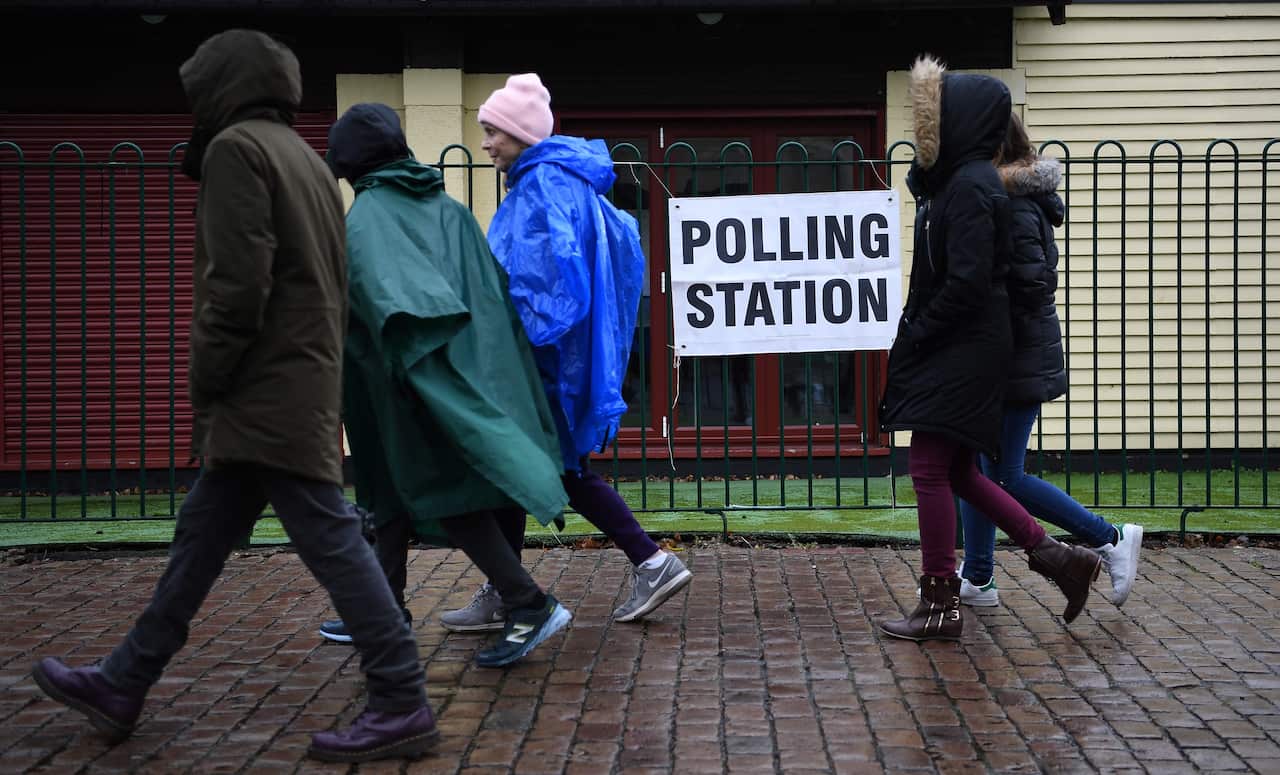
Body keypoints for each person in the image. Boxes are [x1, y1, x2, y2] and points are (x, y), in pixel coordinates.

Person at [30, 31, 436, 762]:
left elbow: (237, 286)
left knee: (335, 542)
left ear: (221, 86)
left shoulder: (236, 152)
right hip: (299, 379)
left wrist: (208, 375)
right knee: (201, 537)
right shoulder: (305, 158)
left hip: (262, 389)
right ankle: (125, 678)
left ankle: (402, 697)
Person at [320, 103, 574, 668]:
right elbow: (485, 296)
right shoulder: (448, 210)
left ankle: (528, 603)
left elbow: (390, 308)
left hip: (404, 386)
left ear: (347, 165)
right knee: (388, 494)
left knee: (440, 491)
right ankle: (383, 610)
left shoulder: (365, 223)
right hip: (459, 374)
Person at [439, 73, 692, 633]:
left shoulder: (542, 188)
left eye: (492, 132)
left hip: (537, 365)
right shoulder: (564, 181)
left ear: (520, 134)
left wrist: (504, 340)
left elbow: (548, 285)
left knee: (546, 471)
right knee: (527, 471)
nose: (485, 144)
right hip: (554, 363)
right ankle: (512, 587)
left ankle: (647, 561)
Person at [878, 55, 1102, 642]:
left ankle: (939, 602)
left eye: (934, 117)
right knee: (956, 471)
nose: (925, 128)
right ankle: (1062, 560)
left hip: (965, 347)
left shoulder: (975, 187)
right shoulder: (958, 183)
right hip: (964, 343)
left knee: (927, 468)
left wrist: (920, 331)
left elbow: (969, 283)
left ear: (961, 123)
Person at [956, 113, 1143, 609]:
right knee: (975, 466)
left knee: (1004, 475)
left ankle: (1109, 538)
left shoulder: (1014, 206)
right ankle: (977, 578)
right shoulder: (1006, 199)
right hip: (1003, 356)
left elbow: (1029, 286)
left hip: (1011, 359)